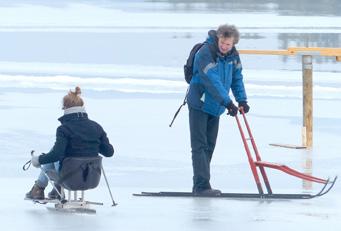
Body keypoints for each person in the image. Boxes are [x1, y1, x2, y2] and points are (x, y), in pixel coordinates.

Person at [187, 24, 250, 196]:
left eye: (228, 44)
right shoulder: (205, 53)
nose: (224, 46)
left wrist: (241, 99)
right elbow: (212, 81)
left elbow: (237, 78)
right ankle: (201, 186)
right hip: (199, 103)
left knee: (210, 146)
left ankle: (200, 183)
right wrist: (228, 102)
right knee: (199, 146)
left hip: (216, 107)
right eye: (222, 42)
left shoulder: (233, 56)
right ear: (218, 38)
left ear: (233, 43)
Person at [25, 86, 114, 200]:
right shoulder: (96, 127)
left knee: (54, 153)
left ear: (65, 108)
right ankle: (54, 191)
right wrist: (92, 143)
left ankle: (38, 189)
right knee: (57, 153)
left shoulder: (64, 129)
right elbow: (109, 152)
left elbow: (56, 155)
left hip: (68, 178)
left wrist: (38, 160)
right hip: (92, 178)